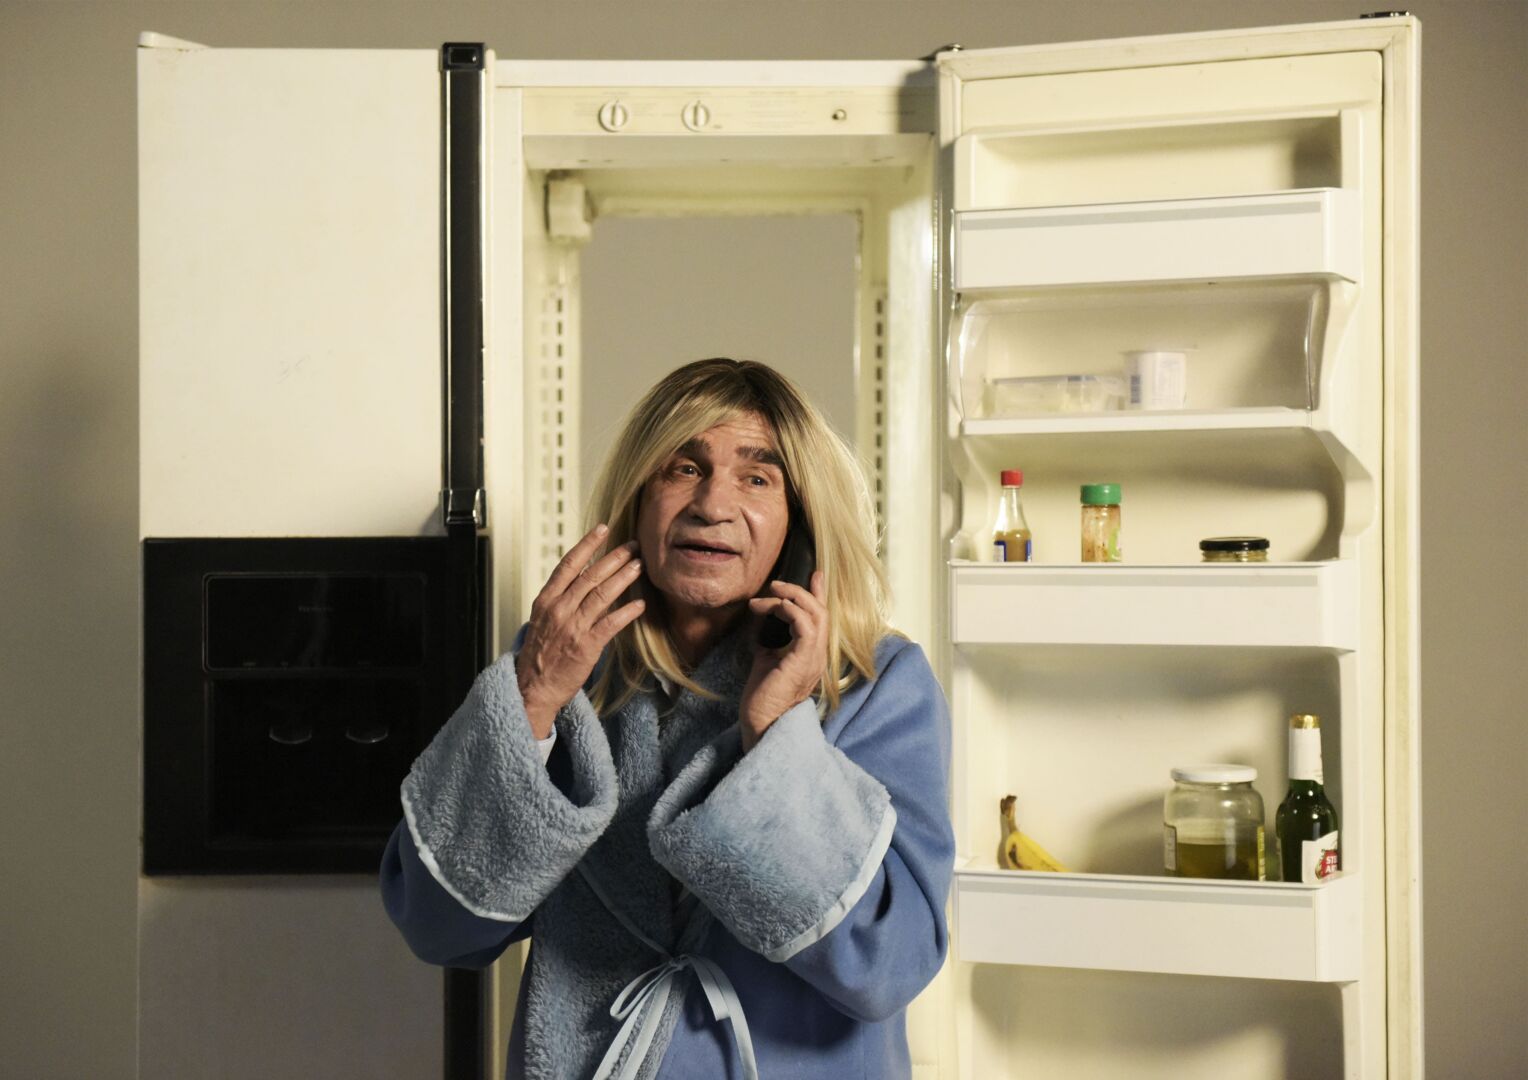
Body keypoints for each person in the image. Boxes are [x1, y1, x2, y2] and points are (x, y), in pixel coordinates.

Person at [381, 358, 954, 1080]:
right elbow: (437, 926)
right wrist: (531, 699)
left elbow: (888, 963)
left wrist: (776, 734)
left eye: (757, 478)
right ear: (638, 498)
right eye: (683, 469)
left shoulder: (872, 684)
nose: (712, 505)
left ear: (801, 521)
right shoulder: (564, 666)